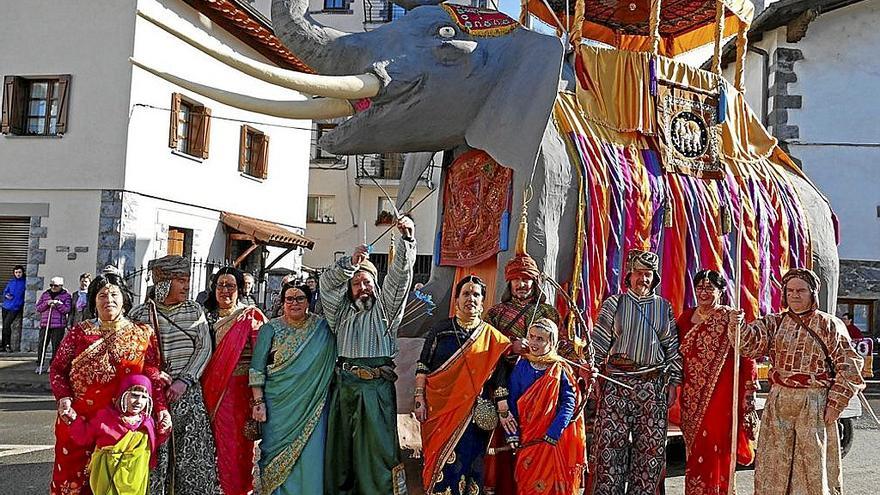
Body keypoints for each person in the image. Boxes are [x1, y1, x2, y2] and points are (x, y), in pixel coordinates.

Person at [732, 268, 865, 495]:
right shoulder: (774, 323)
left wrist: (835, 404)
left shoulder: (829, 325)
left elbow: (850, 367)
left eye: (801, 290)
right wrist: (738, 326)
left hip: (813, 402)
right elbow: (749, 346)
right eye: (790, 290)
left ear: (812, 293)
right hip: (780, 401)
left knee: (810, 466)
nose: (795, 295)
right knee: (774, 463)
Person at [48, 270, 170, 495]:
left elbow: (152, 375)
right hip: (78, 423)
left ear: (124, 298)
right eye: (102, 295)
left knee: (117, 485)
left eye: (114, 294)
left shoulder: (142, 334)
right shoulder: (79, 333)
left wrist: (161, 409)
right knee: (72, 485)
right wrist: (64, 398)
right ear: (94, 301)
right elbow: (57, 369)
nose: (108, 300)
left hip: (121, 427)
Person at [321, 216, 417, 495]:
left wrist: (407, 238)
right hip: (344, 387)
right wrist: (350, 264)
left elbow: (399, 278)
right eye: (356, 283)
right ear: (349, 290)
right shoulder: (339, 314)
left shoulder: (386, 310)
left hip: (376, 389)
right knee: (341, 454)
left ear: (375, 285)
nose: (362, 287)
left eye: (367, 282)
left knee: (378, 455)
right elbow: (327, 286)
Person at [590, 249, 683, 495]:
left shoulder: (664, 308)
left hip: (652, 386)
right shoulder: (614, 303)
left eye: (648, 275)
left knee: (650, 453)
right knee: (609, 452)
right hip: (616, 383)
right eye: (639, 274)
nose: (643, 279)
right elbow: (598, 343)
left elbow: (672, 347)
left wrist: (673, 382)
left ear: (654, 279)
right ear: (629, 276)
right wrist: (594, 375)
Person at [128, 255, 220, 495]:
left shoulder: (194, 311)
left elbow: (204, 348)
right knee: (155, 459)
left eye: (187, 279)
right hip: (151, 398)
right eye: (180, 280)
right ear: (164, 283)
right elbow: (133, 355)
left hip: (188, 395)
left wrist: (184, 380)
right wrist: (154, 375)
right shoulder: (140, 315)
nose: (187, 286)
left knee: (192, 459)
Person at [415, 275, 511, 495]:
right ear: (456, 299)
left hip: (474, 416)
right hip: (440, 410)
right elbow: (423, 365)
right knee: (441, 463)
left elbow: (499, 377)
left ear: (483, 300)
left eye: (476, 294)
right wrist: (419, 397)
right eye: (465, 293)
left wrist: (503, 409)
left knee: (471, 463)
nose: (471, 298)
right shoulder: (440, 331)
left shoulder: (492, 337)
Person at [250, 282, 336, 493]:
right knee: (275, 456)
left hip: (312, 405)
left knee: (312, 454)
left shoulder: (322, 328)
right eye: (289, 299)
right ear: (282, 302)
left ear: (309, 302)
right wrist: (259, 402)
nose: (294, 303)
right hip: (278, 406)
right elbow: (257, 368)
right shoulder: (269, 328)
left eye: (300, 299)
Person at [677, 270, 757, 494]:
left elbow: (747, 354)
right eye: (700, 287)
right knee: (694, 449)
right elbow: (674, 354)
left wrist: (738, 327)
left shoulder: (730, 317)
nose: (703, 292)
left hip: (721, 395)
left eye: (709, 288)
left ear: (720, 291)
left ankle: (720, 490)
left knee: (716, 447)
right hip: (691, 396)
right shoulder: (685, 317)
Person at [201, 267, 267, 495]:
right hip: (208, 390)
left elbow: (264, 356)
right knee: (210, 449)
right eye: (220, 285)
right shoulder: (204, 317)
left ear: (240, 289)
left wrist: (259, 398)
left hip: (240, 393)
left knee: (237, 449)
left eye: (230, 285)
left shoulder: (250, 316)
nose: (224, 290)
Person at [508, 318, 586, 495]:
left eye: (540, 339)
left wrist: (555, 431)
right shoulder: (522, 365)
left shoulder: (560, 368)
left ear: (552, 342)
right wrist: (512, 434)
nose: (534, 343)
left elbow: (569, 402)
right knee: (526, 485)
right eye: (532, 337)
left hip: (551, 440)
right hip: (527, 437)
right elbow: (512, 401)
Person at [68, 373, 169, 495]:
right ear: (122, 395)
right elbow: (84, 436)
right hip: (107, 476)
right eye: (134, 395)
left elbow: (152, 445)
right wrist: (74, 420)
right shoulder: (105, 417)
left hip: (136, 480)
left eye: (144, 397)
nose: (138, 401)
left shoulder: (147, 422)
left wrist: (163, 431)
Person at [36, 276, 72, 370]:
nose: (53, 287)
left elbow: (67, 310)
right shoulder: (45, 294)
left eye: (55, 286)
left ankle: (53, 365)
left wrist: (58, 304)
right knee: (42, 344)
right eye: (51, 285)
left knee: (56, 346)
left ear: (61, 286)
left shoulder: (66, 296)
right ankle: (40, 364)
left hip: (58, 325)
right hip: (45, 324)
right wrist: (47, 303)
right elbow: (38, 308)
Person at [1, 264, 25, 352]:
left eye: (19, 272)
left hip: (15, 307)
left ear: (22, 273)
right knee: (5, 326)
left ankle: (7, 345)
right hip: (6, 306)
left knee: (7, 325)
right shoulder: (11, 281)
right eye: (16, 272)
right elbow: (5, 292)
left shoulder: (25, 282)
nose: (18, 274)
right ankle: (3, 345)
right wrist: (6, 295)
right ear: (14, 273)